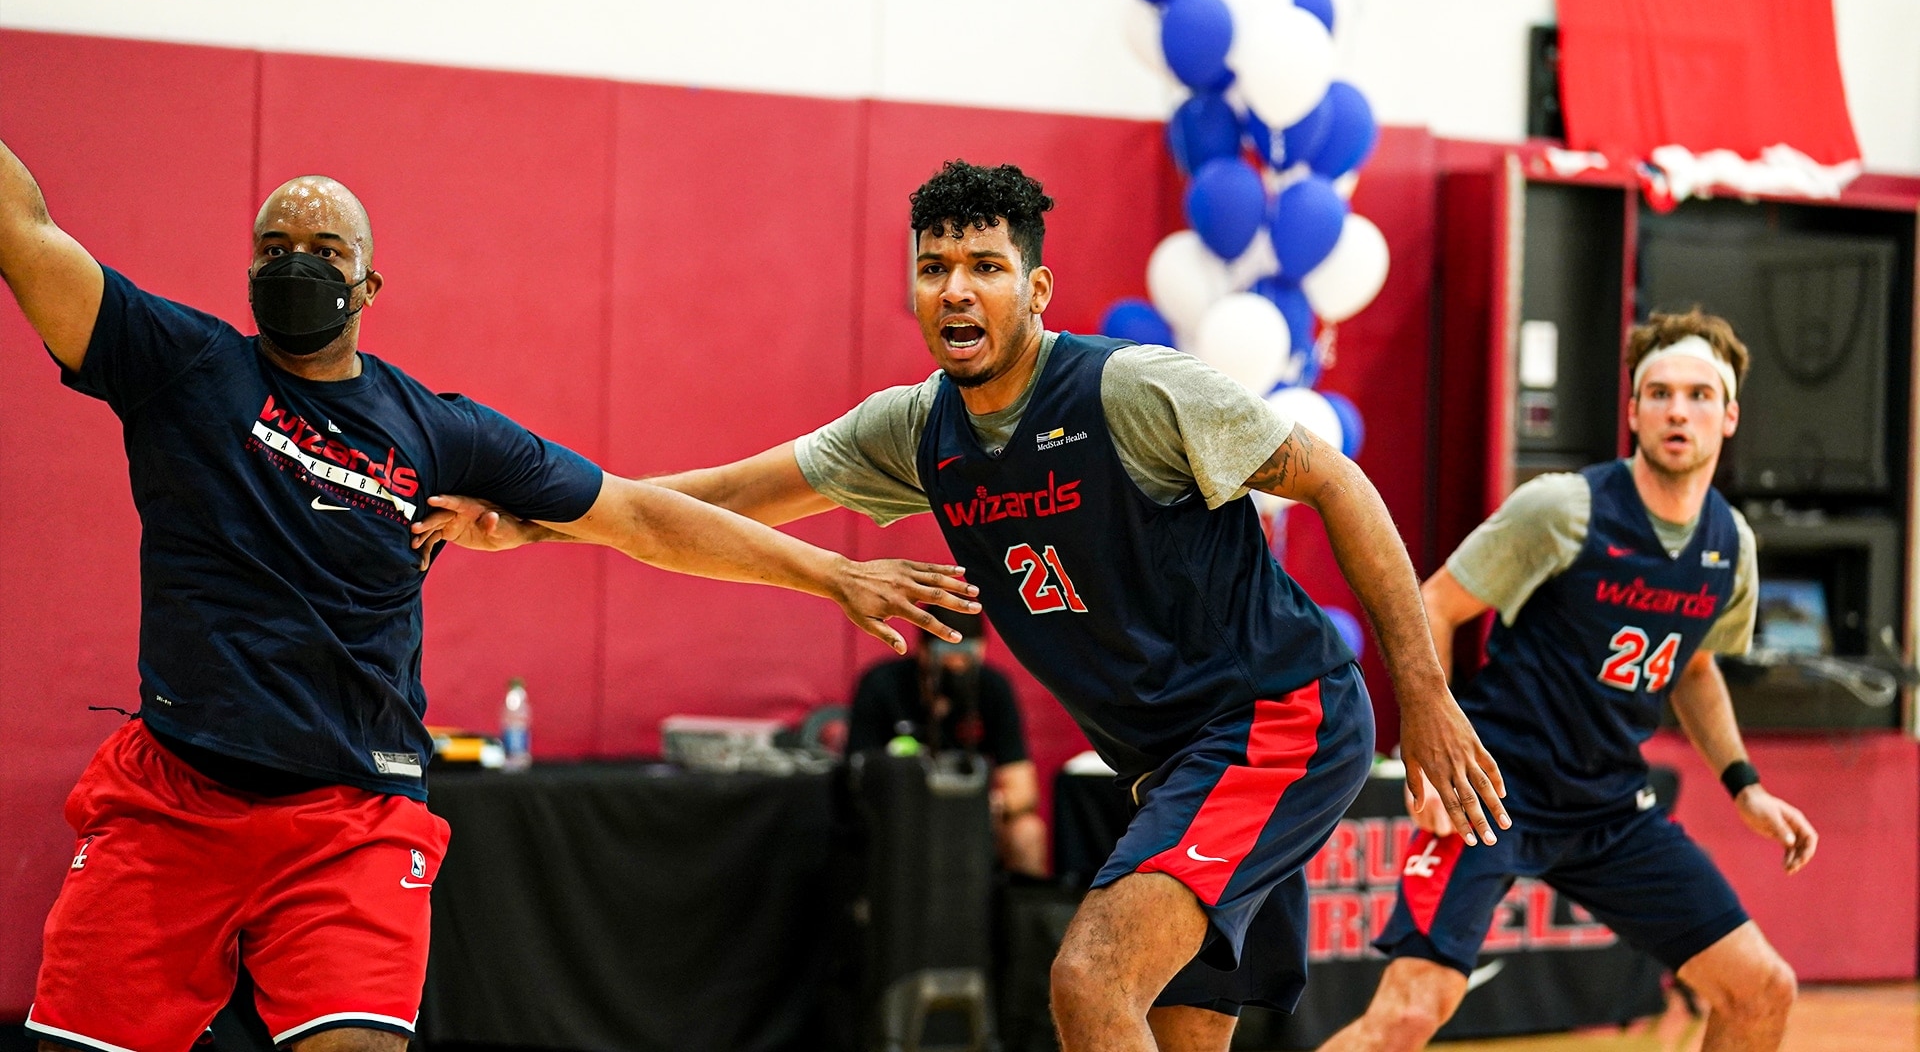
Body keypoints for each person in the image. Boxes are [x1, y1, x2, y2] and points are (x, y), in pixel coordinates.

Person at [419, 159, 1506, 1052]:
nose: (955, 289)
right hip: (1174, 762)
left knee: (1088, 983)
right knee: (1169, 1031)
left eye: (986, 267)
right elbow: (701, 506)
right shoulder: (913, 430)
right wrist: (533, 521)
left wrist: (1422, 690)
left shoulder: (1132, 390)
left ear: (1033, 291)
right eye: (935, 267)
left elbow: (1337, 479)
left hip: (1278, 721)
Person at [0, 136, 978, 1052]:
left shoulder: (438, 432)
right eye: (275, 245)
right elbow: (28, 232)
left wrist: (829, 570)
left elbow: (639, 515)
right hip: (176, 800)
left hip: (350, 817)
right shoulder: (180, 367)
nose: (297, 262)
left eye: (325, 248)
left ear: (369, 282)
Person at [1319, 310, 1815, 1052]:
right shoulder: (1564, 508)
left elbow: (1698, 667)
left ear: (1729, 414)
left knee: (1762, 989)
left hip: (1610, 804)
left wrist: (1745, 785)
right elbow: (1435, 606)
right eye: (1660, 393)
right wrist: (1428, 751)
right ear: (1634, 411)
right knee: (1410, 1014)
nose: (1679, 409)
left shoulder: (1729, 546)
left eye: (1699, 395)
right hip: (1493, 790)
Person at [848, 610, 1048, 876]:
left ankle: (1021, 916)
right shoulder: (883, 685)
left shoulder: (992, 689)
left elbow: (1022, 789)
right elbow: (858, 775)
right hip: (902, 812)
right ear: (923, 651)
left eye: (968, 658)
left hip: (971, 812)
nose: (959, 668)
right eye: (950, 657)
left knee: (1027, 832)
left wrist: (982, 803)